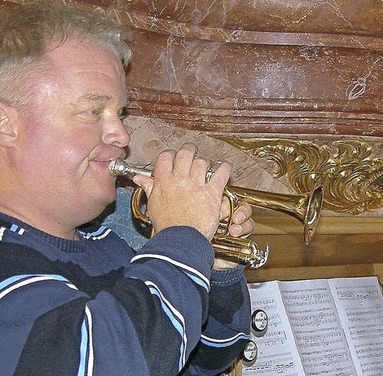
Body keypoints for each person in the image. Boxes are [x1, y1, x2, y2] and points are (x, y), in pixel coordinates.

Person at [0, 2, 254, 375]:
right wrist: (182, 237)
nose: (122, 134)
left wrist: (216, 268)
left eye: (119, 114)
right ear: (6, 124)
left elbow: (206, 360)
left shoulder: (108, 246)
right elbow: (113, 362)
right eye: (93, 111)